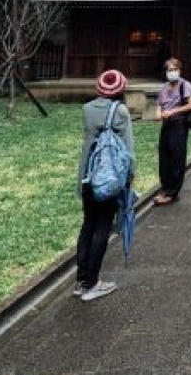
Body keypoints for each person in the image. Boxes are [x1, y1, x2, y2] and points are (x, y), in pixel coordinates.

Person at [75, 69, 134, 302]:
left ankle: (81, 280)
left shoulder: (87, 109)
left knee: (87, 226)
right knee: (102, 228)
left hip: (88, 175)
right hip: (109, 178)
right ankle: (92, 283)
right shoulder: (120, 111)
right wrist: (130, 176)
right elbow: (128, 148)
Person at [153, 57, 191, 206]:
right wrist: (158, 114)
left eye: (174, 69)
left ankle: (172, 193)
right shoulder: (164, 87)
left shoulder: (185, 85)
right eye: (169, 70)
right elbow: (159, 104)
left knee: (177, 159)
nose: (172, 72)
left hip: (179, 125)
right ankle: (165, 188)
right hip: (166, 125)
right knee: (164, 158)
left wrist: (172, 111)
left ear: (179, 70)